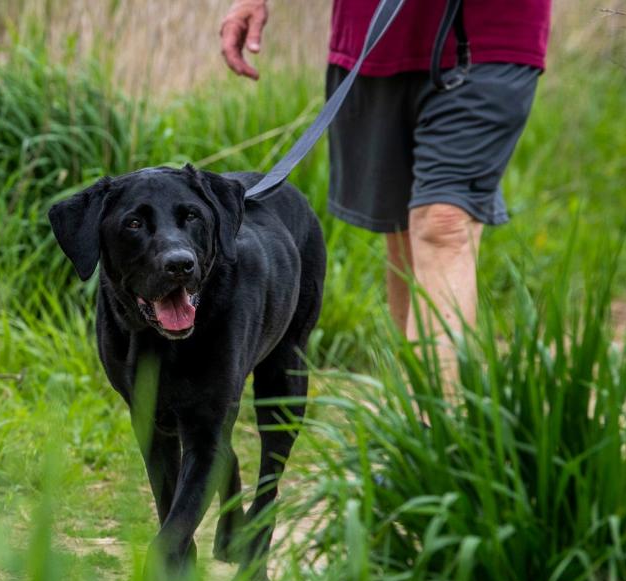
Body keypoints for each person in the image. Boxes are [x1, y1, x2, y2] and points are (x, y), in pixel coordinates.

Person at [220, 0, 550, 372]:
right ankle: (412, 413)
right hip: (375, 34)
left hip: (488, 37)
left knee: (443, 223)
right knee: (404, 234)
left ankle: (438, 422)